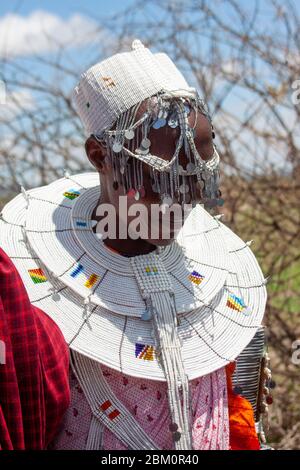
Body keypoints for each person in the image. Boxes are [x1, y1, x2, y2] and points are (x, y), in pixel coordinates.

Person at [0, 39, 271, 450]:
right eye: (158, 183)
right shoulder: (31, 311)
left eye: (193, 186)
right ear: (99, 156)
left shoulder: (222, 297)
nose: (179, 203)